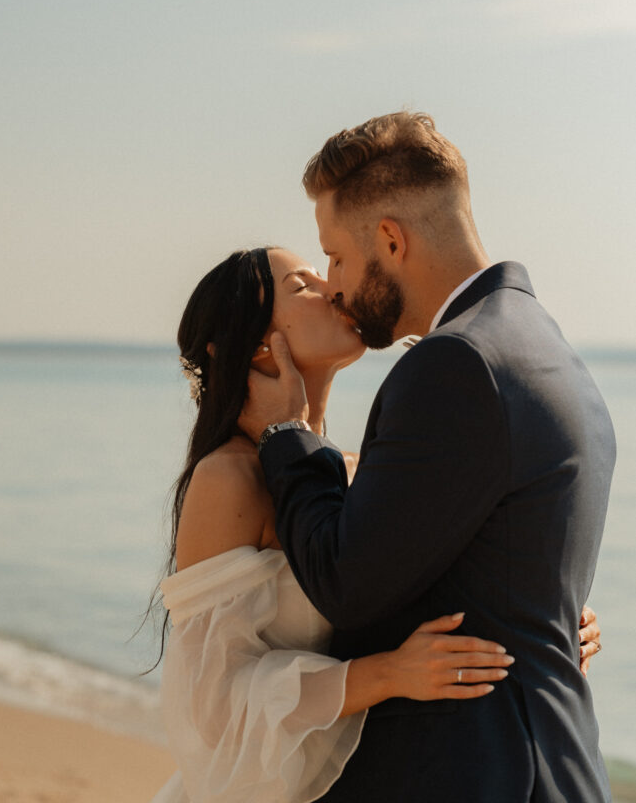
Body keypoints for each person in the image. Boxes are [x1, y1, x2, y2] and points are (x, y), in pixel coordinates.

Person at [239, 112, 615, 803]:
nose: (335, 286)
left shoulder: (454, 365)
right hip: (550, 765)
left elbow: (347, 583)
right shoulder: (545, 345)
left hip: (475, 774)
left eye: (338, 258)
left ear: (390, 239)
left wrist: (286, 434)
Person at [150, 246, 601, 803]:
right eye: (302, 285)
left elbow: (431, 577)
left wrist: (543, 614)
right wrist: (387, 675)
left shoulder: (358, 470)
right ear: (261, 343)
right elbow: (208, 711)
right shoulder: (229, 480)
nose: (331, 285)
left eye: (325, 270)